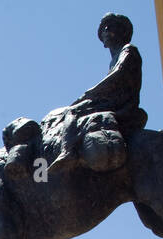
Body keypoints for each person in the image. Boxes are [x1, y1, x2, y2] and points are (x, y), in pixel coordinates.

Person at [48, 13, 146, 174]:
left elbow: (117, 76)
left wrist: (90, 93)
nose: (106, 31)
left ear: (122, 31)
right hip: (112, 102)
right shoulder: (114, 59)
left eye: (111, 27)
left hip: (122, 105)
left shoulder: (128, 50)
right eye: (103, 29)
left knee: (72, 112)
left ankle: (68, 151)